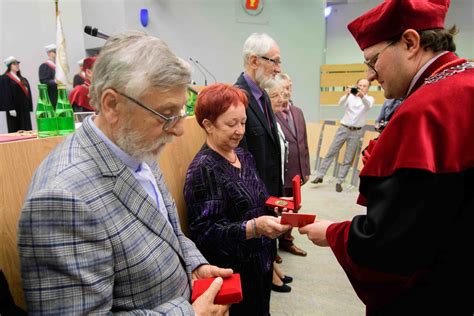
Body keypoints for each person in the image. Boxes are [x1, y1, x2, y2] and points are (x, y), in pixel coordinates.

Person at [18, 31, 233, 315]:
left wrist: (195, 264)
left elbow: (166, 228)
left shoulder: (136, 143)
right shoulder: (62, 200)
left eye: (179, 111)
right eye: (167, 113)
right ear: (112, 105)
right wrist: (189, 313)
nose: (179, 129)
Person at [300, 0, 474, 314]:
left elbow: (389, 245)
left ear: (410, 42)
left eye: (373, 60)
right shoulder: (463, 85)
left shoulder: (424, 110)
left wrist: (333, 232)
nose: (371, 73)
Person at [184, 83, 291, 315]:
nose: (240, 131)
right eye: (231, 124)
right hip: (233, 273)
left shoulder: (243, 154)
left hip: (260, 263)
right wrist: (253, 227)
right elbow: (205, 233)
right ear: (208, 125)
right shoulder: (204, 169)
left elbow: (259, 197)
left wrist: (277, 209)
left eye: (243, 122)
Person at [235, 32, 283, 198]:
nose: (278, 69)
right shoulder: (237, 100)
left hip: (271, 195)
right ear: (254, 61)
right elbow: (240, 163)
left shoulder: (263, 96)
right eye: (274, 61)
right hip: (255, 199)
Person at [311, 78, 374, 192]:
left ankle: (340, 181)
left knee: (348, 157)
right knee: (332, 151)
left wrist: (361, 96)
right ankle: (320, 175)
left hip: (357, 131)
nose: (361, 87)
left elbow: (368, 105)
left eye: (364, 86)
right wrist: (346, 94)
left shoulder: (369, 99)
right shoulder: (350, 96)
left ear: (368, 88)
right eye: (359, 85)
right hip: (344, 127)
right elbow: (340, 103)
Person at [274, 73, 310, 257]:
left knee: (294, 208)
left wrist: (306, 170)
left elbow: (303, 143)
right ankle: (272, 247)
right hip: (281, 173)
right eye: (284, 88)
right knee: (277, 209)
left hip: (297, 173)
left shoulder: (298, 112)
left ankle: (287, 241)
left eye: (289, 87)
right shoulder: (272, 113)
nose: (287, 92)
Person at [262, 78, 292, 293]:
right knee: (266, 233)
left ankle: (273, 268)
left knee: (273, 230)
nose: (280, 99)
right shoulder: (264, 121)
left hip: (276, 182)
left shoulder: (275, 119)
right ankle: (269, 272)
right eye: (275, 96)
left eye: (282, 95)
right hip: (266, 185)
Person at [0, 56, 33, 132]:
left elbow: (28, 94)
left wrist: (29, 107)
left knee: (26, 129)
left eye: (17, 63)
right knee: (16, 128)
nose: (17, 65)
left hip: (24, 109)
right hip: (14, 109)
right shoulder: (5, 78)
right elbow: (5, 94)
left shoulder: (23, 79)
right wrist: (10, 108)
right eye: (14, 64)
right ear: (9, 66)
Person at [38, 43, 57, 108]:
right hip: (51, 95)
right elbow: (43, 81)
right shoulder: (45, 65)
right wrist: (55, 81)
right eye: (54, 52)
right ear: (49, 53)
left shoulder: (57, 65)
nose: (56, 53)